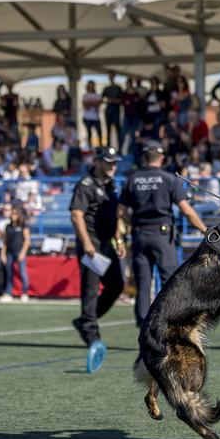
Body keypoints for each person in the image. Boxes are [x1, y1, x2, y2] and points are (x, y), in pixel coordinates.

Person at [117, 141, 207, 327]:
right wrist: (205, 230)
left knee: (143, 284)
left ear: (144, 158)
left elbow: (121, 211)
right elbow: (186, 211)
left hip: (140, 235)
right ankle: (171, 322)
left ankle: (143, 328)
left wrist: (130, 225)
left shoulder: (132, 179)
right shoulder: (168, 179)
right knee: (169, 281)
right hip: (162, 236)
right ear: (162, 158)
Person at [70, 146, 126, 370]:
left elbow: (113, 216)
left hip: (107, 245)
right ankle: (92, 335)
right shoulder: (86, 184)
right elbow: (76, 214)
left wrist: (119, 239)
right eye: (109, 162)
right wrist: (86, 243)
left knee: (116, 285)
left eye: (115, 162)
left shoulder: (111, 185)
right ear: (98, 162)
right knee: (91, 290)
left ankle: (85, 321)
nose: (113, 166)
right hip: (92, 245)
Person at [0, 205, 32, 303]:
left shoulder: (23, 226)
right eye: (12, 213)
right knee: (9, 273)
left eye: (16, 214)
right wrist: (3, 254)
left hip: (19, 251)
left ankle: (24, 292)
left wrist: (22, 253)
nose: (13, 215)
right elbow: (5, 242)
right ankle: (9, 293)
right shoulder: (8, 227)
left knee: (22, 273)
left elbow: (27, 241)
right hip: (9, 252)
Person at [102, 72, 123, 151]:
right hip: (108, 111)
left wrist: (113, 101)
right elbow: (102, 99)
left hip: (116, 111)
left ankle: (120, 149)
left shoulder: (118, 88)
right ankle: (107, 149)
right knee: (108, 131)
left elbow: (121, 100)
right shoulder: (106, 88)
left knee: (118, 130)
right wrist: (107, 101)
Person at [82, 81, 103, 148]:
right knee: (89, 133)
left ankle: (100, 147)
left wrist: (90, 103)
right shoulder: (85, 96)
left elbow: (98, 104)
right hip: (87, 117)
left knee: (99, 133)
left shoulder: (98, 95)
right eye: (89, 86)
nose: (91, 87)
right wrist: (94, 103)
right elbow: (86, 106)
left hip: (96, 118)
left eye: (92, 86)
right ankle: (90, 147)